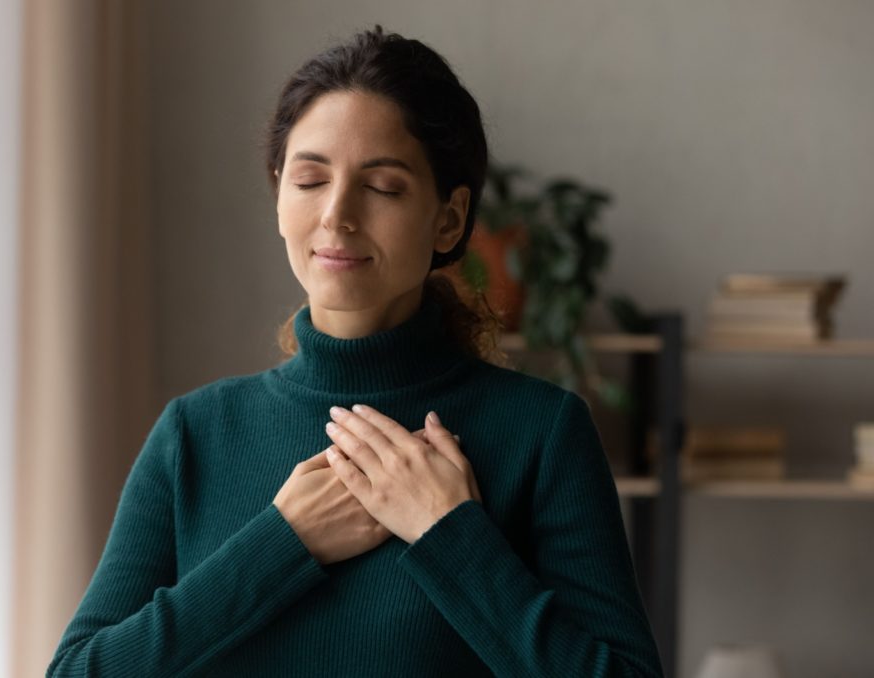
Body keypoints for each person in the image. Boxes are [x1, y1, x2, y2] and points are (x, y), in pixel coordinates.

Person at [47, 25, 664, 678]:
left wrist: (449, 537)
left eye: (384, 187)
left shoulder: (541, 434)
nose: (337, 215)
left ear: (449, 218)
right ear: (280, 196)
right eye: (310, 180)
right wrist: (280, 546)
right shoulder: (194, 436)